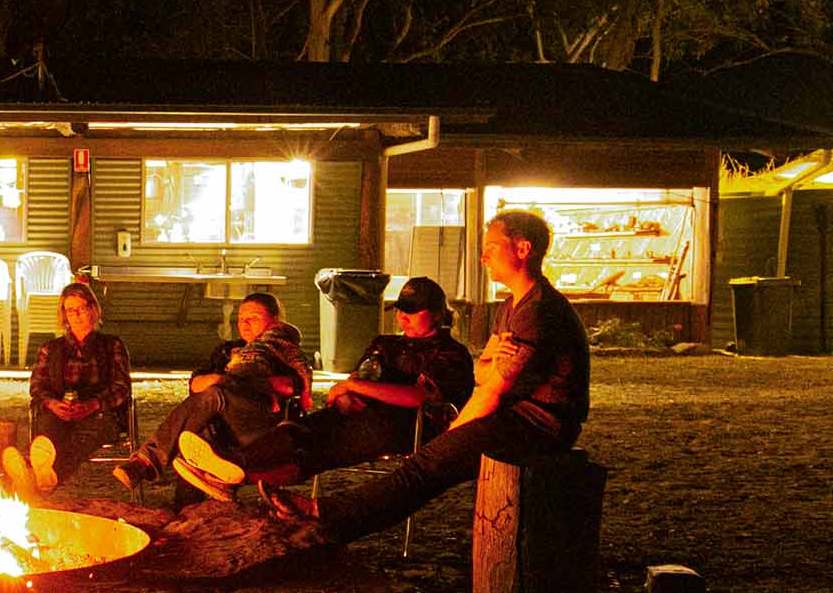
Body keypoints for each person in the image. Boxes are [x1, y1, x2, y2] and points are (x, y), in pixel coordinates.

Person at [260, 211, 590, 542]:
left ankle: (323, 517)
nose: (483, 256)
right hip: (514, 415)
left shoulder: (538, 311)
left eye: (491, 246)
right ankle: (324, 519)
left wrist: (455, 431)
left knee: (425, 466)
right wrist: (492, 368)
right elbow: (482, 371)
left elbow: (493, 390)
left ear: (523, 249)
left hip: (540, 424)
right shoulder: (510, 307)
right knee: (419, 463)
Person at [173, 276, 474, 498]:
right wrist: (343, 393)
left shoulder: (448, 353)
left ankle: (231, 470)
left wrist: (354, 386)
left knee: (324, 447)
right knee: (300, 431)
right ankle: (226, 474)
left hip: (403, 427)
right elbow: (351, 383)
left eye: (413, 311)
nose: (402, 317)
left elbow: (416, 398)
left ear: (435, 313)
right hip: (353, 415)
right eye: (400, 309)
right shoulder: (386, 343)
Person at [114, 292, 311, 504]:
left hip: (261, 425)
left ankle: (146, 462)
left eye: (253, 317)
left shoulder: (282, 348)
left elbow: (292, 386)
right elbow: (196, 385)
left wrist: (232, 381)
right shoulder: (226, 350)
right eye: (241, 318)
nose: (245, 323)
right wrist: (216, 378)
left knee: (215, 396)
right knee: (196, 434)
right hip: (220, 423)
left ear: (275, 320)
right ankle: (185, 511)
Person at [1, 282, 131, 500]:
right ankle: (40, 474)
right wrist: (52, 404)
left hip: (99, 412)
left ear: (92, 309)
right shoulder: (51, 349)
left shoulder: (112, 345)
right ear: (64, 315)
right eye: (71, 310)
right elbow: (37, 387)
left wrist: (93, 405)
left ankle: (35, 479)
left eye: (81, 308)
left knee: (82, 439)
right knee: (48, 434)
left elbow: (121, 387)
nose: (77, 315)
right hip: (59, 410)